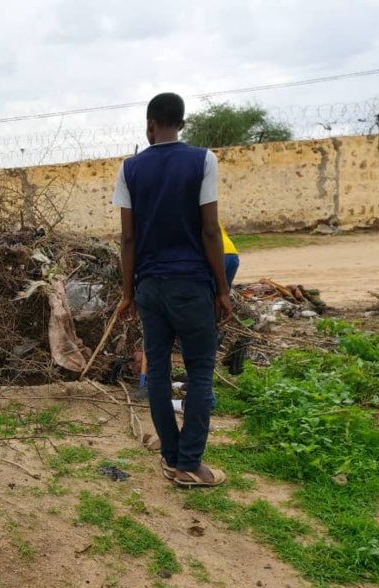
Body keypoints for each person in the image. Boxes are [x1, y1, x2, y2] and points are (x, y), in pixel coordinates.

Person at [113, 93, 233, 488]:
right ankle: (189, 463)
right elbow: (210, 229)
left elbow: (127, 239)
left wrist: (128, 293)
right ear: (180, 123)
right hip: (191, 286)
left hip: (149, 287)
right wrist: (222, 289)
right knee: (200, 373)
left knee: (159, 372)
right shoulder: (203, 160)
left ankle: (171, 457)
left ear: (150, 125)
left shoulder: (130, 169)